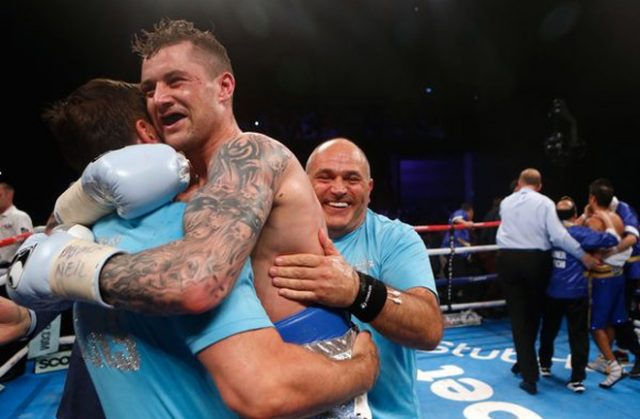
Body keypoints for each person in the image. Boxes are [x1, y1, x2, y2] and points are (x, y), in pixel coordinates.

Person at [8, 20, 379, 417]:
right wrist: (76, 205)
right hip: (246, 365)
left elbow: (198, 281)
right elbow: (52, 240)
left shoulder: (250, 155)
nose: (159, 98)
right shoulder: (173, 186)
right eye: (149, 89)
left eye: (176, 81)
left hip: (307, 369)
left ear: (224, 87)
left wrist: (70, 268)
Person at [268, 138, 443, 418]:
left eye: (352, 179)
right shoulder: (272, 241)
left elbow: (429, 329)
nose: (338, 189)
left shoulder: (395, 239)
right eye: (325, 177)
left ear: (369, 189)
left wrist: (357, 291)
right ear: (302, 182)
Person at [496, 168, 598, 395]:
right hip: (535, 260)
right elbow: (559, 236)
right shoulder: (544, 203)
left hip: (507, 259)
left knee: (518, 317)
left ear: (519, 184)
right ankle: (529, 371)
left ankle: (526, 366)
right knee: (534, 314)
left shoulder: (506, 202)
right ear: (539, 185)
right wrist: (584, 256)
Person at [537, 196, 619, 393]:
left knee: (549, 330)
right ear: (575, 215)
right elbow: (612, 239)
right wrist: (606, 219)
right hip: (575, 292)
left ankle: (545, 365)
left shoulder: (546, 232)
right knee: (578, 335)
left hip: (552, 290)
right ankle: (577, 379)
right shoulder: (579, 233)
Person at [584, 179, 640, 378]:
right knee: (615, 319)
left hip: (616, 273)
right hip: (619, 272)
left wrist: (608, 252)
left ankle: (618, 361)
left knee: (604, 322)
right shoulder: (612, 216)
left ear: (593, 198)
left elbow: (630, 238)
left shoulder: (615, 213)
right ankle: (610, 357)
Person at [0, 183, 33, 272]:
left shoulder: (19, 216)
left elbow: (28, 243)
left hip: (12, 268)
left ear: (9, 195)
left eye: (0, 195)